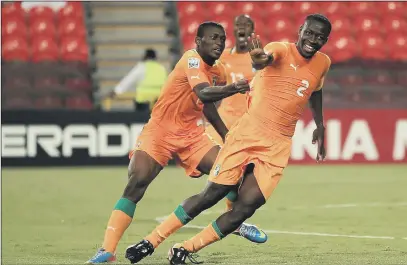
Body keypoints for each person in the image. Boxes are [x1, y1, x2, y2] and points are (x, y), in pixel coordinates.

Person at [123, 13, 332, 265]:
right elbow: (264, 59)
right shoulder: (279, 49)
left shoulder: (323, 62)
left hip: (278, 144)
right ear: (300, 30)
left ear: (326, 40)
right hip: (247, 134)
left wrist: (319, 124)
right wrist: (258, 59)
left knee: (246, 207)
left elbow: (316, 89)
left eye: (320, 37)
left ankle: (185, 248)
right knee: (212, 194)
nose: (313, 40)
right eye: (309, 33)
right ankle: (151, 241)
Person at [86, 21, 265, 264]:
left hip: (191, 134)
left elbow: (207, 104)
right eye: (212, 38)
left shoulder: (219, 71)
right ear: (198, 42)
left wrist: (225, 135)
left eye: (222, 39)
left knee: (229, 170)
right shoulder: (190, 60)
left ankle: (234, 222)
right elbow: (203, 92)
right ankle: (107, 250)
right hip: (160, 131)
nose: (219, 42)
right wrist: (234, 88)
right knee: (137, 180)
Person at [203, 14, 257, 224]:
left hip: (248, 124)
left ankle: (231, 216)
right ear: (232, 31)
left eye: (247, 25)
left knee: (242, 173)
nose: (242, 28)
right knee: (224, 168)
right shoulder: (222, 57)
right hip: (223, 123)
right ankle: (231, 217)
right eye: (238, 25)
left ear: (252, 30)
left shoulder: (258, 58)